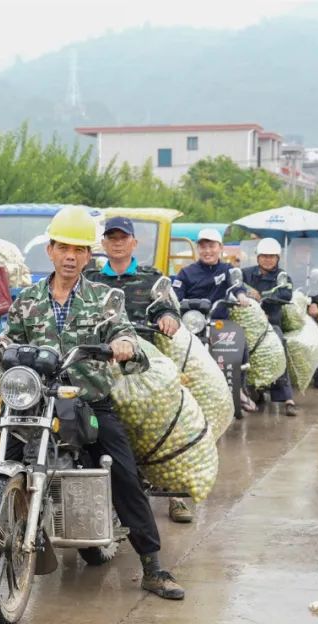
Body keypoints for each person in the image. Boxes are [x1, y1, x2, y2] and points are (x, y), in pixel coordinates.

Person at [0, 205, 185, 601]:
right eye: (63, 247)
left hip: (88, 402)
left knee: (123, 472)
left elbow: (126, 336)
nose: (71, 256)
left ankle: (153, 566)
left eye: (79, 249)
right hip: (36, 402)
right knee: (5, 464)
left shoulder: (106, 298)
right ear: (50, 250)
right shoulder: (28, 299)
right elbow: (10, 344)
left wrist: (123, 344)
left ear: (89, 256)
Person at [85, 216, 190, 524]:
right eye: (111, 237)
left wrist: (168, 317)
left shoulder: (150, 276)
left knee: (168, 415)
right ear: (103, 243)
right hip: (96, 360)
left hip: (142, 360)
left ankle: (176, 491)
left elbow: (167, 305)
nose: (117, 242)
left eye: (123, 237)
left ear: (134, 243)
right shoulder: (89, 278)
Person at [173, 227, 256, 412]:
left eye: (211, 246)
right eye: (203, 247)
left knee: (239, 340)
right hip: (192, 324)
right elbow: (175, 296)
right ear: (198, 249)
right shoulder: (186, 273)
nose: (207, 251)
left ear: (220, 248)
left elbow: (237, 285)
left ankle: (239, 389)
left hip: (218, 322)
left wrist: (241, 296)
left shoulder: (227, 270)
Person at [241, 238, 297, 417]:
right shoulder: (246, 273)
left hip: (271, 324)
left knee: (279, 347)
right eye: (264, 256)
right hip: (248, 325)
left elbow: (286, 293)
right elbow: (233, 283)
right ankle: (241, 392)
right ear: (257, 257)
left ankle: (287, 398)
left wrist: (263, 296)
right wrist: (244, 292)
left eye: (271, 257)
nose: (268, 260)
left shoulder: (282, 276)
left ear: (277, 258)